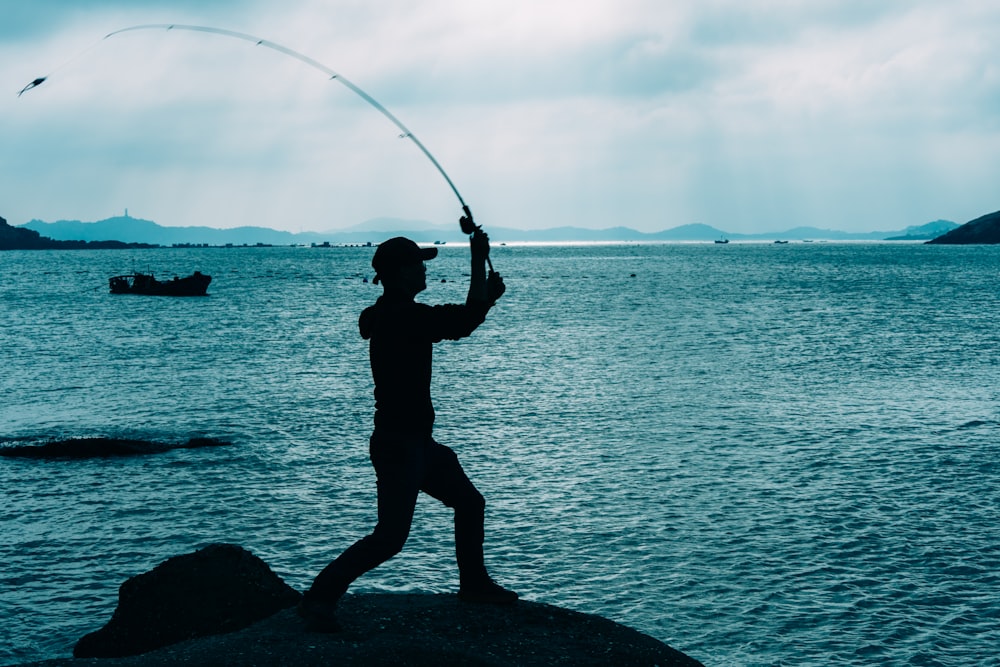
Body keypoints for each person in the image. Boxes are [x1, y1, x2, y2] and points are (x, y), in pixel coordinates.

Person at [299, 220, 516, 632]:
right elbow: (465, 321)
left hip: (415, 443)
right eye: (418, 265)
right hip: (401, 446)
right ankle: (319, 597)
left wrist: (485, 298)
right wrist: (477, 265)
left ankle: (474, 584)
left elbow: (464, 319)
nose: (424, 270)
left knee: (469, 503)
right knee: (390, 538)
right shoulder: (402, 316)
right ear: (400, 273)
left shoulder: (388, 314)